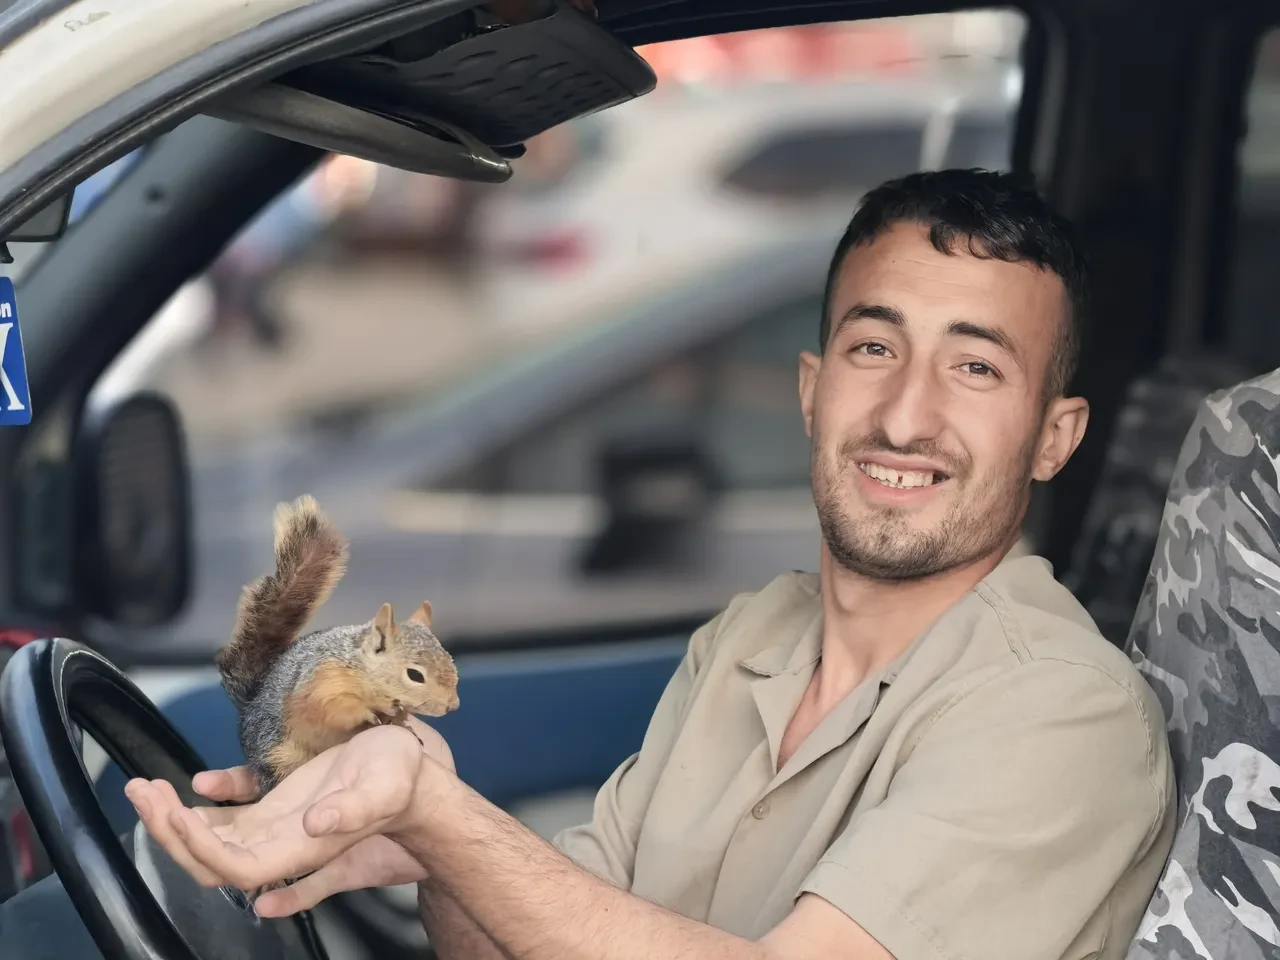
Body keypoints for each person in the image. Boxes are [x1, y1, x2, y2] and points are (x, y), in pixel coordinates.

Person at [125, 167, 1175, 960]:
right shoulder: (753, 633)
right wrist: (434, 831)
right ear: (810, 390)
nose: (906, 414)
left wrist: (439, 815)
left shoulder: (1063, 711)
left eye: (975, 367)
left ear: (1052, 437)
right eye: (872, 348)